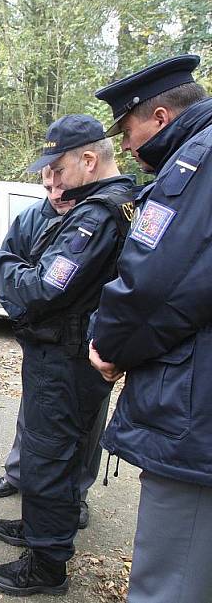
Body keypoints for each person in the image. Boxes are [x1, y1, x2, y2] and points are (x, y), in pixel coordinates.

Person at [0, 114, 135, 596]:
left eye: (58, 168)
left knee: (52, 456)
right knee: (51, 449)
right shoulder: (106, 205)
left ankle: (47, 564)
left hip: (67, 359)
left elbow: (42, 288)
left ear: (89, 160)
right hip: (65, 352)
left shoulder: (97, 215)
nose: (52, 180)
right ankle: (40, 530)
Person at [90, 54, 212, 603]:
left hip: (195, 412)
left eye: (129, 128)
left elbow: (152, 284)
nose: (129, 145)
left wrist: (110, 346)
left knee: (171, 577)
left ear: (159, 117)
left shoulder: (194, 165)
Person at [0, 165, 109, 531]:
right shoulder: (32, 217)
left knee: (86, 425)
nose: (55, 192)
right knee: (35, 414)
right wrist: (24, 316)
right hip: (43, 340)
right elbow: (7, 268)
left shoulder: (98, 218)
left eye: (61, 183)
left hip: (88, 346)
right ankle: (21, 475)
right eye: (47, 185)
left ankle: (75, 495)